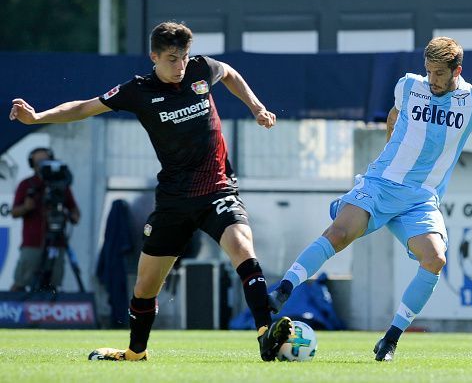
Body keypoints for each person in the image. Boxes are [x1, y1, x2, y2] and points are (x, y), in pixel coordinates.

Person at [268, 37, 472, 361]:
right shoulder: (408, 85)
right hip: (381, 184)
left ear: (456, 70)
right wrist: (389, 148)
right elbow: (393, 115)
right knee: (339, 234)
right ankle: (281, 291)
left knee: (435, 259)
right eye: (428, 71)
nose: (432, 80)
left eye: (438, 73)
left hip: (421, 199)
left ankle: (390, 340)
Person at [9, 21, 291, 362]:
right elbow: (84, 107)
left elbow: (229, 72)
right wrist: (38, 117)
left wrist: (256, 106)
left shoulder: (201, 69)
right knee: (145, 287)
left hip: (218, 190)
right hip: (173, 202)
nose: (180, 66)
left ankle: (265, 332)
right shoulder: (137, 91)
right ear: (153, 56)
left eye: (184, 57)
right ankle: (135, 353)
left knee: (242, 246)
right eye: (172, 58)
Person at [10, 147, 80, 292]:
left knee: (53, 285)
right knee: (20, 282)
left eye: (46, 161)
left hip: (57, 243)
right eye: (38, 162)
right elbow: (14, 212)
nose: (42, 165)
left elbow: (75, 211)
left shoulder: (62, 185)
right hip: (32, 243)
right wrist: (26, 207)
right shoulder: (26, 184)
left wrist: (69, 215)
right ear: (32, 164)